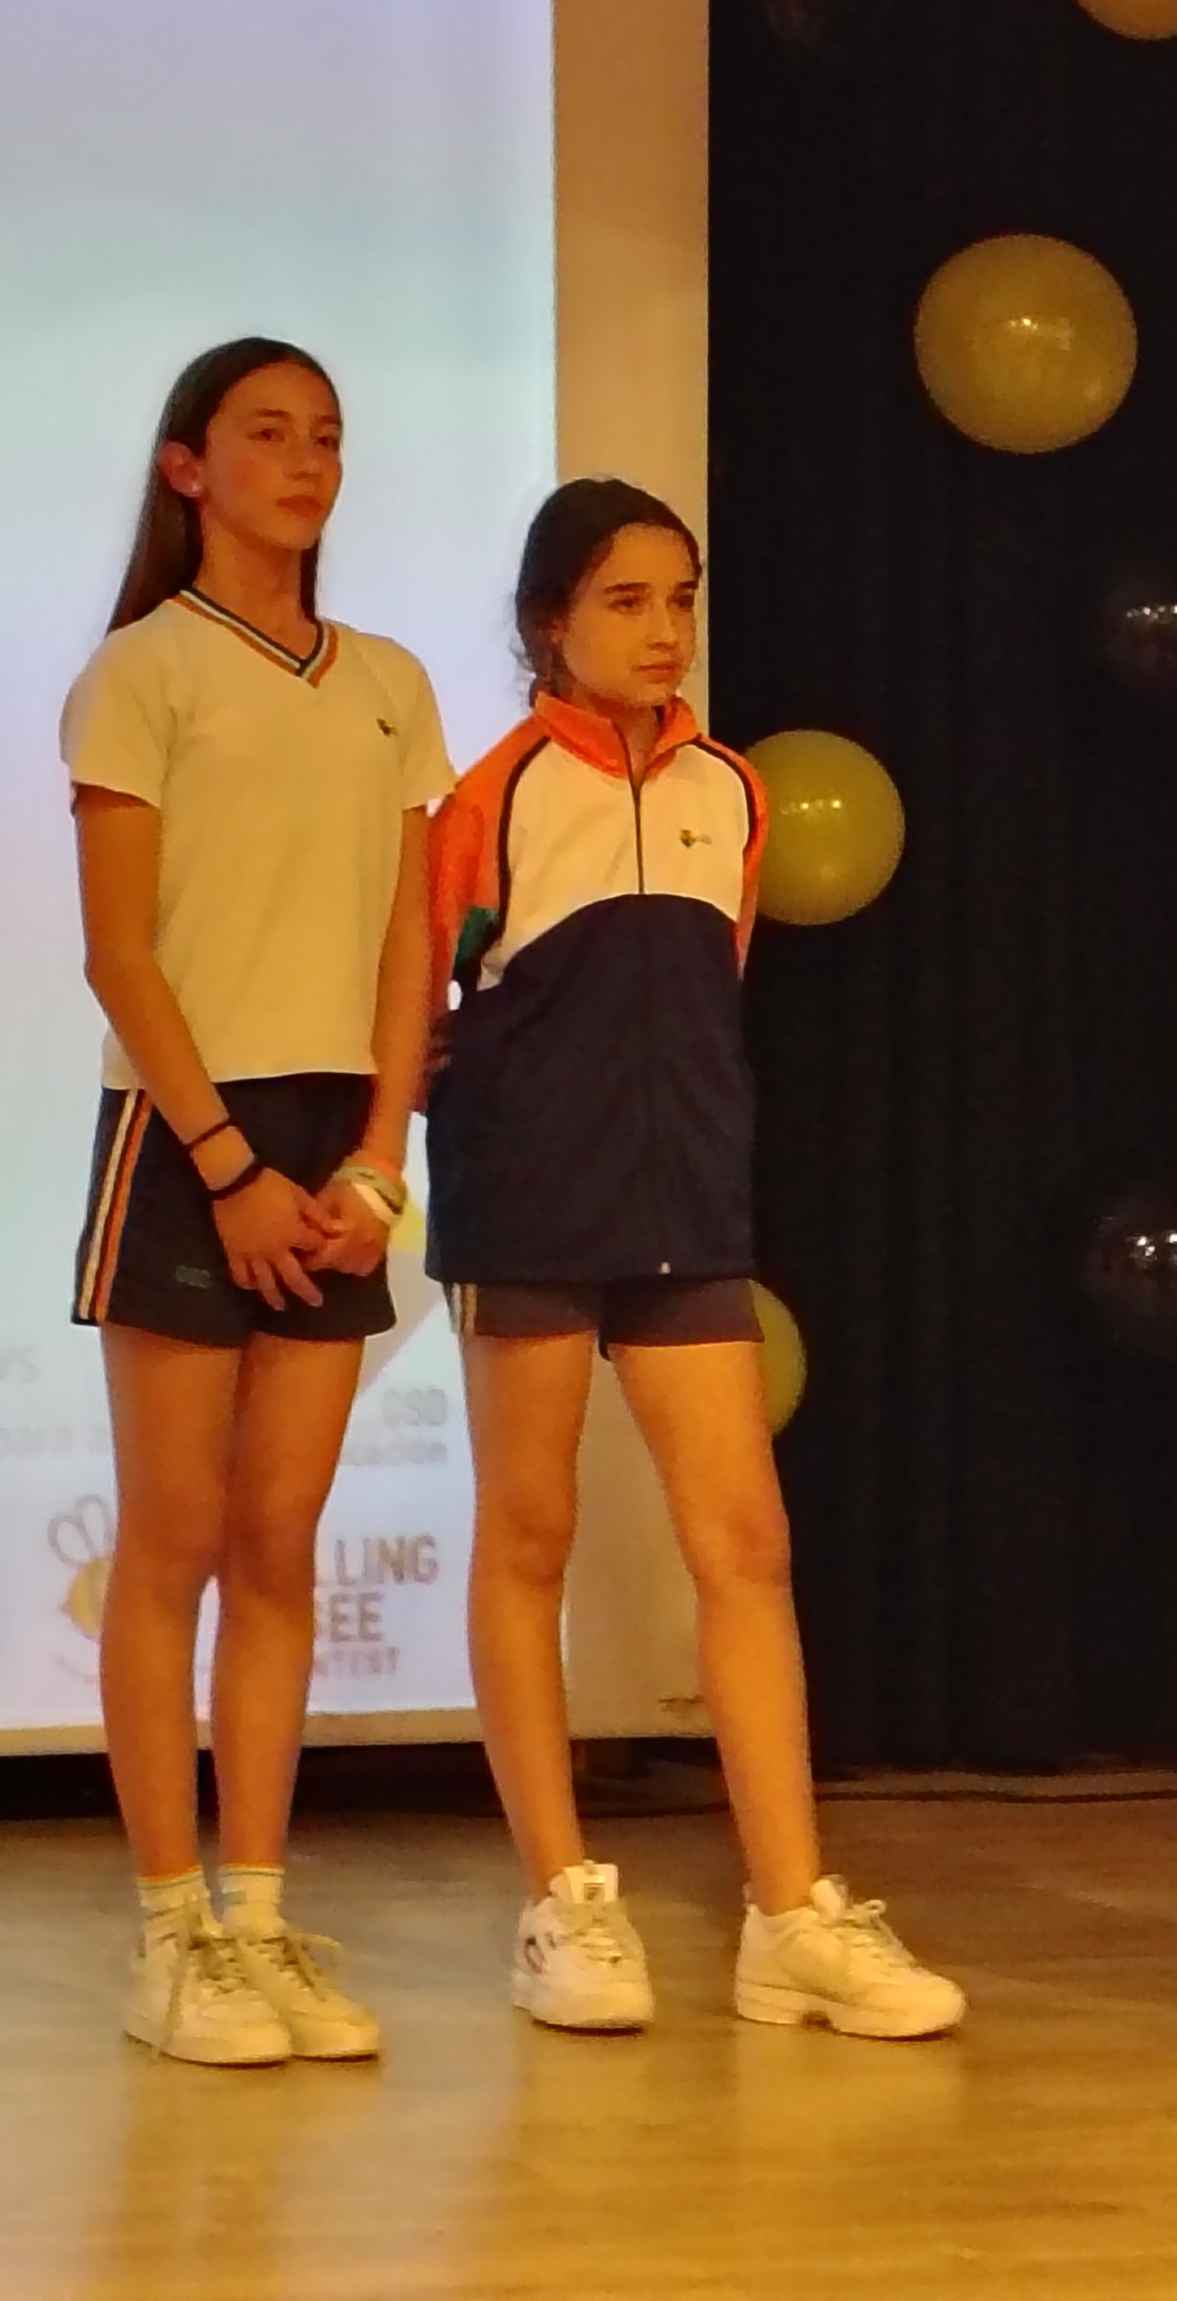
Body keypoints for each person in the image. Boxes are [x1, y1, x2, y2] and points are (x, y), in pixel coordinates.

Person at [425, 478, 964, 2043]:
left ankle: (790, 1914)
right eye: (625, 602)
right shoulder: (495, 796)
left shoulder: (732, 790)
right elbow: (437, 1005)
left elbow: (714, 983)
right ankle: (562, 1901)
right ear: (549, 623)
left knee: (747, 1543)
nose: (664, 631)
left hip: (686, 1212)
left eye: (682, 600)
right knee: (528, 1535)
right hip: (531, 1204)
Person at [61, 337, 452, 2067]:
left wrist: (377, 1160)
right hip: (183, 1128)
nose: (305, 462)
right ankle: (171, 1938)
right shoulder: (140, 672)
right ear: (188, 468)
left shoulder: (389, 683)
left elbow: (409, 941)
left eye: (327, 437)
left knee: (283, 1540)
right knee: (176, 1538)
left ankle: (263, 1914)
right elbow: (118, 952)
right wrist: (226, 1165)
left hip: (336, 1128)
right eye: (268, 434)